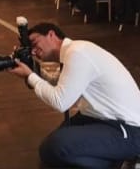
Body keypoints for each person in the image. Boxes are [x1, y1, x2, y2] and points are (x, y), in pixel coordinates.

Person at [8, 22, 140, 169]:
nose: (33, 51)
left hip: (129, 129)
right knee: (51, 148)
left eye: (34, 43)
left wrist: (31, 76)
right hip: (101, 118)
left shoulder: (77, 53)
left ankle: (126, 162)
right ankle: (119, 159)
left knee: (56, 146)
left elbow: (61, 101)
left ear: (51, 35)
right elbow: (64, 84)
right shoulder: (75, 51)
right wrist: (32, 71)